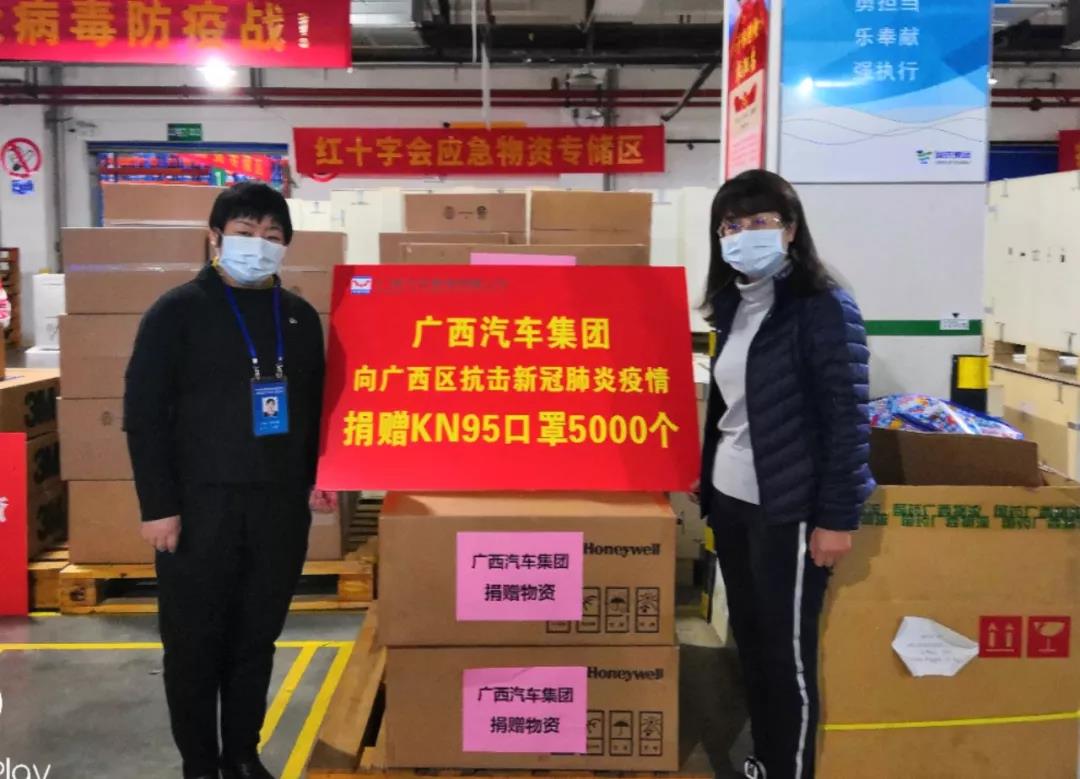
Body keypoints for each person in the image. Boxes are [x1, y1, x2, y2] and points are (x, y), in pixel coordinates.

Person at [124, 182, 336, 779]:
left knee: (255, 639)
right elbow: (144, 415)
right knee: (194, 644)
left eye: (272, 235)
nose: (258, 245)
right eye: (245, 232)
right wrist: (158, 505)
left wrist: (323, 473)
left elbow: (318, 409)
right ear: (215, 237)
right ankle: (199, 763)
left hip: (278, 508)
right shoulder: (177, 312)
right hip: (199, 509)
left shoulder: (298, 317)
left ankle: (243, 755)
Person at [699, 170, 874, 779]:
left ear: (791, 230)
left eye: (760, 221)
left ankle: (788, 770)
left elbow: (847, 420)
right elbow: (732, 412)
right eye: (731, 225)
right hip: (732, 501)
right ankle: (766, 760)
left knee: (787, 656)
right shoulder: (732, 307)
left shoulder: (823, 308)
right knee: (751, 643)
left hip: (788, 509)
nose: (744, 233)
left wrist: (836, 519)